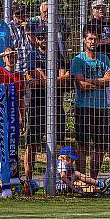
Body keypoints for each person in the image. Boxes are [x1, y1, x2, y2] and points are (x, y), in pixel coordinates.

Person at [24, 28, 71, 182]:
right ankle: (28, 180)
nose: (44, 40)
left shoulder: (59, 56)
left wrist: (48, 82)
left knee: (58, 142)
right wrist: (53, 80)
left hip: (56, 104)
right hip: (37, 104)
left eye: (46, 37)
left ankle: (57, 179)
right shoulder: (33, 55)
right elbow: (37, 78)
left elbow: (65, 79)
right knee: (33, 143)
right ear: (36, 40)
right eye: (41, 37)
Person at [71, 27, 110, 178]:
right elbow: (81, 86)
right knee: (82, 144)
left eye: (95, 39)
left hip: (101, 107)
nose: (92, 42)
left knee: (100, 145)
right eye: (89, 39)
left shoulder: (104, 59)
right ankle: (82, 178)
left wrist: (90, 81)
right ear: (84, 40)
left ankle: (93, 179)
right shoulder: (78, 59)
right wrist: (102, 80)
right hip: (83, 107)